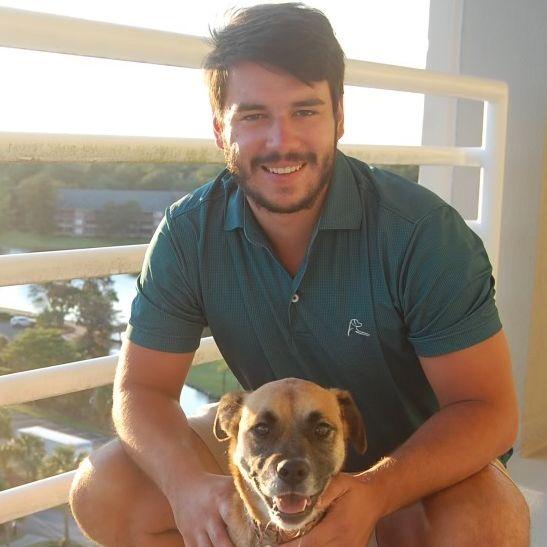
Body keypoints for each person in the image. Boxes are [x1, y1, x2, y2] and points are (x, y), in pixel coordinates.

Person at [69, 3, 530, 546]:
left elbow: (487, 410)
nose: (281, 141)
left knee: (486, 523)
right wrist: (187, 487)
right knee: (105, 488)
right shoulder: (189, 234)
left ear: (340, 116)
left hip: (415, 470)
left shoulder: (422, 235)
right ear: (220, 130)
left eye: (305, 111)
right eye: (253, 116)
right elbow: (142, 390)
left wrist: (378, 492)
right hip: (276, 454)